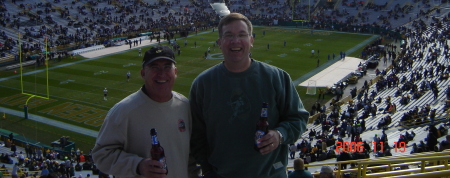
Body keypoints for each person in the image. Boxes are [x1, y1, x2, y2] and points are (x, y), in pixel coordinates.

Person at [190, 13, 309, 178]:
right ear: (219, 43)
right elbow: (196, 134)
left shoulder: (277, 77)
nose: (235, 40)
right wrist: (208, 169)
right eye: (228, 35)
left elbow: (298, 119)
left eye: (242, 35)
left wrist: (279, 135)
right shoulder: (202, 84)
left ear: (251, 40)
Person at [92, 45, 200, 178]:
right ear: (143, 73)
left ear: (175, 72)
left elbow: (190, 156)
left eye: (167, 67)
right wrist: (137, 165)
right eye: (154, 67)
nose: (161, 73)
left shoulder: (184, 106)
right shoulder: (124, 111)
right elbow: (101, 155)